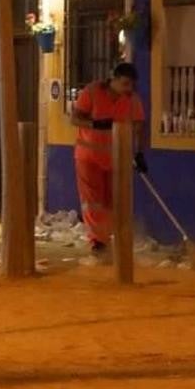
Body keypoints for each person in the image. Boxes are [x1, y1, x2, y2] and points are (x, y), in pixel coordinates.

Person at [70, 62, 146, 261]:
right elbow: (75, 119)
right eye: (125, 84)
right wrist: (94, 124)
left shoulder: (132, 100)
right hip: (88, 157)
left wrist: (138, 154)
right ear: (113, 79)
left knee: (113, 200)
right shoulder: (92, 92)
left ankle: (112, 237)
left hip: (117, 159)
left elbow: (138, 128)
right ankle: (98, 243)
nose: (128, 89)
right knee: (93, 202)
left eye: (131, 85)